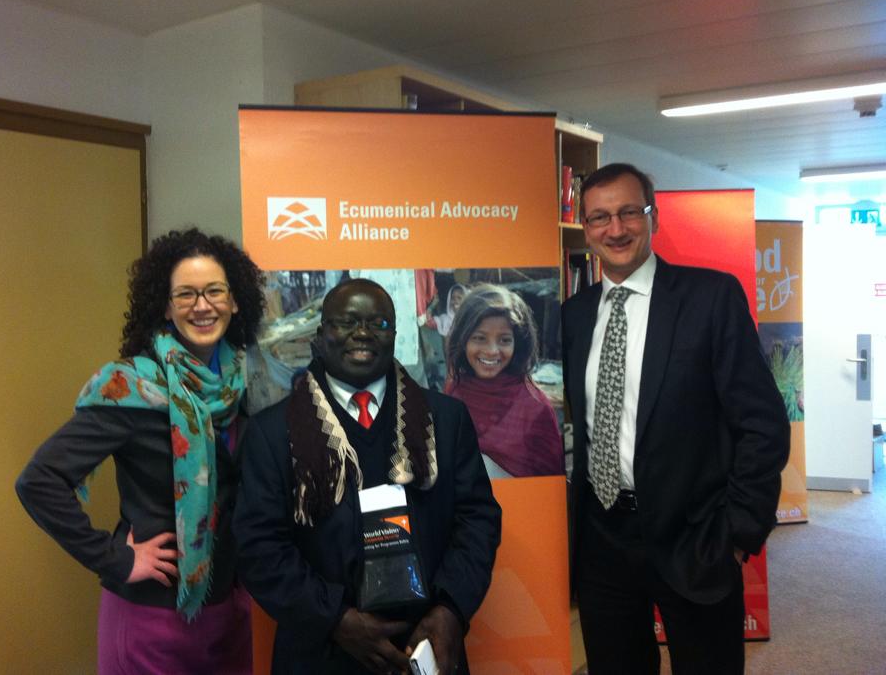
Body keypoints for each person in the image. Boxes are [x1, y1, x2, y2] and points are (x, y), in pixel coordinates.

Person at [560, 163, 790, 675]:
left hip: (696, 536)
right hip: (603, 538)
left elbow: (762, 423)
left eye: (628, 212)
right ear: (586, 228)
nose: (615, 229)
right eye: (600, 217)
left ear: (654, 216)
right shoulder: (573, 315)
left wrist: (738, 534)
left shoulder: (710, 298)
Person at [15, 228, 265, 674]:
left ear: (235, 301)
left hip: (229, 613)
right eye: (185, 294)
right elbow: (38, 481)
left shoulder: (247, 385)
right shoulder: (130, 387)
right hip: (152, 618)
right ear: (165, 307)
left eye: (214, 291)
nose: (202, 305)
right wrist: (115, 559)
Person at [234, 278, 501, 674]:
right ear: (321, 334)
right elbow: (259, 548)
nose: (362, 333)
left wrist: (450, 609)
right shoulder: (273, 433)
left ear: (394, 335)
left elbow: (478, 521)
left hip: (426, 647)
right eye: (346, 322)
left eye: (379, 324)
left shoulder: (446, 421)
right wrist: (334, 619)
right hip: (321, 653)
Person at [444, 284, 563, 478]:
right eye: (479, 338)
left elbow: (550, 483)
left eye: (504, 340)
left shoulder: (535, 407)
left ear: (519, 343)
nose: (492, 350)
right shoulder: (455, 389)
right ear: (463, 340)